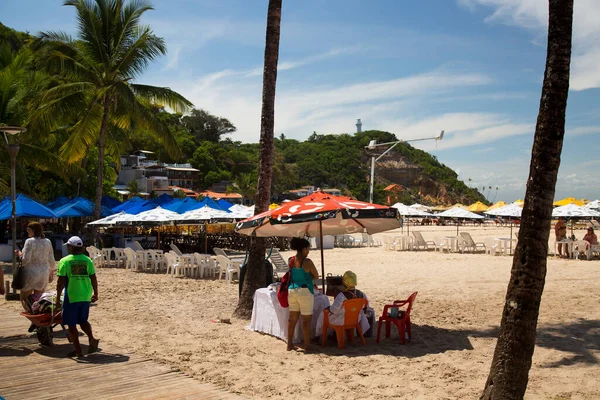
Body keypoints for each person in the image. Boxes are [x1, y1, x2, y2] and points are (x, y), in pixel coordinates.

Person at [56, 236, 99, 358]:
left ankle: (78, 351)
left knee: (71, 324)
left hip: (72, 295)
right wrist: (96, 293)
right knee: (83, 320)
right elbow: (93, 278)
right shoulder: (87, 260)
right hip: (85, 295)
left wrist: (58, 297)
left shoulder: (65, 261)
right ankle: (91, 338)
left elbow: (61, 281)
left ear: (71, 247)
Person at [286, 237, 319, 352]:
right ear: (304, 249)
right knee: (306, 321)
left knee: (292, 319)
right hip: (304, 291)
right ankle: (307, 346)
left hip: (292, 289)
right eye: (308, 248)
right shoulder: (307, 262)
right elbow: (316, 276)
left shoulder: (291, 260)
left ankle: (289, 344)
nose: (308, 251)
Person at [15, 222, 56, 311]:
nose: (27, 232)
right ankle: (38, 317)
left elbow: (25, 260)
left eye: (28, 230)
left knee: (25, 298)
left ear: (34, 230)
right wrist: (51, 271)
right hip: (43, 273)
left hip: (30, 272)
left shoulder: (29, 241)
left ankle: (31, 315)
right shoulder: (47, 241)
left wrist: (19, 254)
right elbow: (51, 259)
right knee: (39, 299)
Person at [317, 270, 370, 338]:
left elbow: (333, 310)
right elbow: (366, 308)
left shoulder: (342, 296)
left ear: (344, 282)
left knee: (323, 314)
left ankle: (319, 335)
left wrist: (328, 308)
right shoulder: (362, 294)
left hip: (341, 320)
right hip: (356, 319)